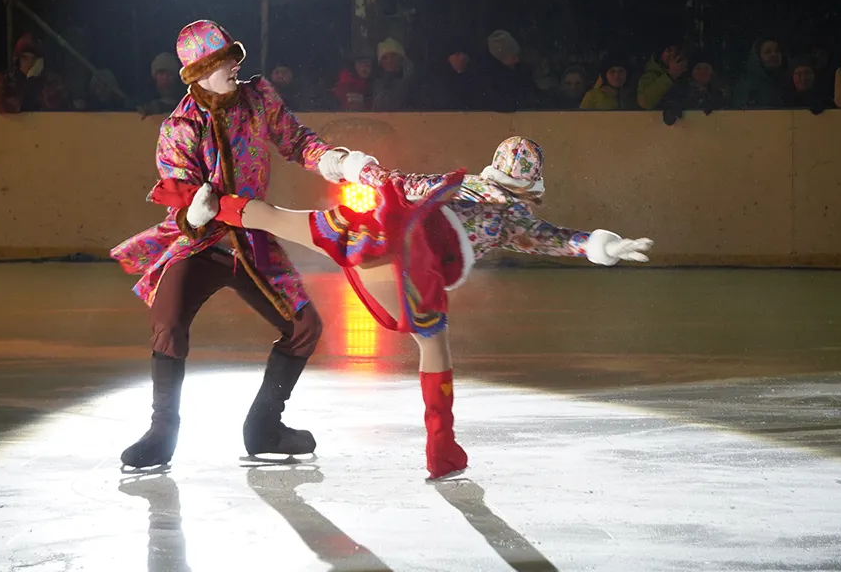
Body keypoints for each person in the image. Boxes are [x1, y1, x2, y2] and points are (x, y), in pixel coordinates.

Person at [153, 136, 654, 479]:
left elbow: (388, 179)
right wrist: (601, 246)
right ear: (529, 187)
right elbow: (554, 239)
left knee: (282, 219)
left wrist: (358, 167)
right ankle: (441, 446)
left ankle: (207, 206)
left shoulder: (451, 184)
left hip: (368, 233)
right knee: (433, 342)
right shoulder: (511, 217)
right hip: (414, 268)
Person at [110, 19, 376, 470]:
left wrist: (335, 160)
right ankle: (162, 432)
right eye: (221, 62)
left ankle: (264, 427)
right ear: (197, 73)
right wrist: (192, 214)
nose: (234, 65)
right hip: (199, 243)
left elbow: (296, 141)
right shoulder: (179, 127)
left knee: (304, 326)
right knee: (168, 323)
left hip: (252, 240)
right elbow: (176, 192)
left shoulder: (258, 98)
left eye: (234, 57)